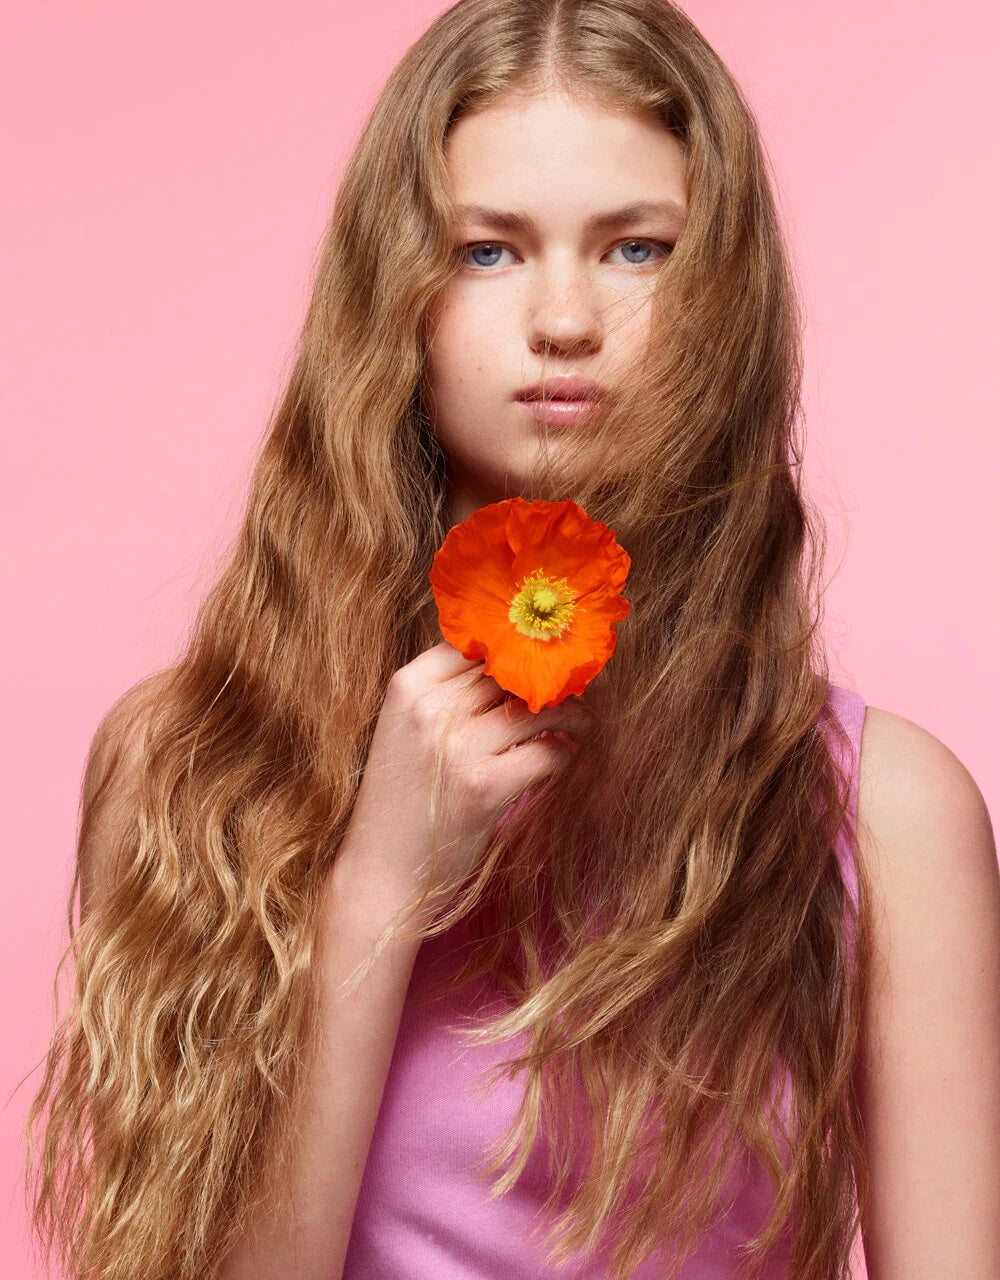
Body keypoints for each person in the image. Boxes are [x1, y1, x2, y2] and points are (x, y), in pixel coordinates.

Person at [23, 1, 1000, 1278]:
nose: (564, 317)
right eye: (486, 250)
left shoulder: (882, 814)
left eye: (638, 249)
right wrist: (378, 887)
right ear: (395, 293)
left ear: (725, 294)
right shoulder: (188, 764)